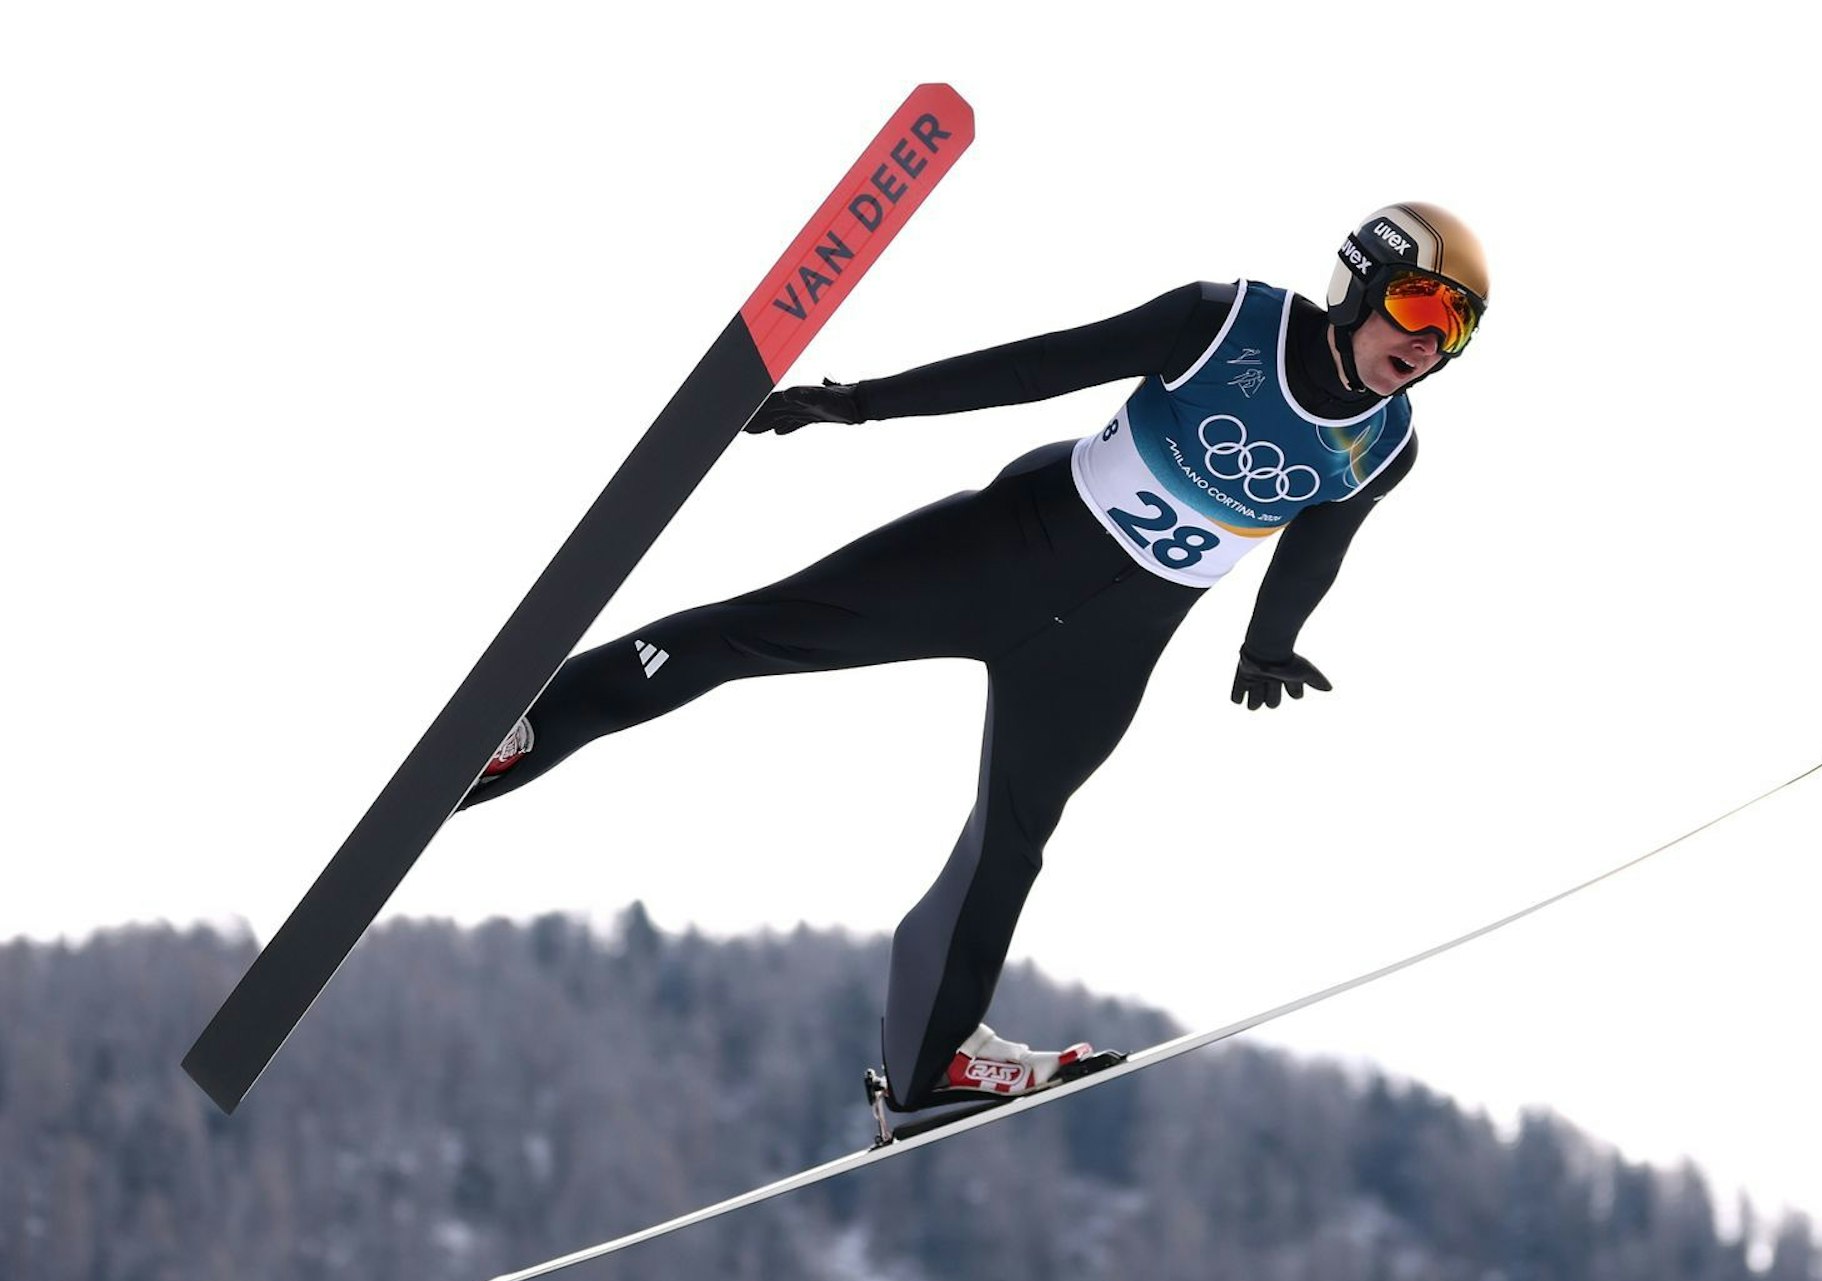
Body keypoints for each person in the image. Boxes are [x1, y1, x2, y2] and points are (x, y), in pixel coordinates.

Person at [459, 202, 1490, 1111]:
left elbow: (1318, 542)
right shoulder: (1224, 320)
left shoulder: (1382, 444)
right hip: (1002, 555)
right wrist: (858, 401)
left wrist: (1270, 646)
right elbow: (1032, 366)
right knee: (754, 631)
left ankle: (926, 1069)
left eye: (1454, 327)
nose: (1427, 341)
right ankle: (522, 732)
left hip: (1108, 649)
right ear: (1354, 283)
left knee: (1010, 841)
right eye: (1416, 305)